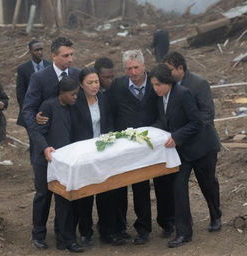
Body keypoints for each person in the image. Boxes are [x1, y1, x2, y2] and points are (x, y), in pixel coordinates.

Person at [22, 37, 81, 249]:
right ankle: (38, 233)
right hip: (44, 146)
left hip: (69, 146)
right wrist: (40, 139)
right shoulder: (40, 77)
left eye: (72, 55)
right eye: (65, 56)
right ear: (53, 56)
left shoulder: (76, 74)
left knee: (66, 192)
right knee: (43, 193)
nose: (70, 59)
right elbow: (28, 110)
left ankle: (64, 235)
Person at [162, 51, 222, 243]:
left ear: (180, 68)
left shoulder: (198, 84)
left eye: (170, 70)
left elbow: (206, 115)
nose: (167, 73)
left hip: (202, 146)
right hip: (180, 150)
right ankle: (183, 232)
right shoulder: (166, 88)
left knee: (207, 183)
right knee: (178, 188)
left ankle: (215, 214)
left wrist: (181, 134)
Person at [150, 63, 205, 248]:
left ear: (168, 82)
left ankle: (184, 233)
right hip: (172, 152)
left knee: (179, 189)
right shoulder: (161, 98)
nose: (155, 88)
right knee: (173, 189)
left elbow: (196, 122)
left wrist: (177, 137)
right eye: (153, 85)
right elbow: (164, 121)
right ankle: (176, 226)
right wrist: (150, 131)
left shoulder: (183, 94)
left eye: (158, 84)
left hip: (188, 151)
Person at [28, 77, 83, 252]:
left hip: (64, 163)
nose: (76, 97)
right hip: (45, 161)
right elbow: (37, 131)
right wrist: (45, 148)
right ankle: (38, 235)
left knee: (64, 199)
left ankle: (65, 239)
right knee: (43, 197)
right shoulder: (48, 106)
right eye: (73, 94)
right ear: (63, 93)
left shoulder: (72, 108)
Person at [110, 49, 159, 245]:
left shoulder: (154, 84)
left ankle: (143, 228)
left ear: (144, 66)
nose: (132, 72)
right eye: (128, 68)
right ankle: (121, 227)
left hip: (147, 146)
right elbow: (112, 112)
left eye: (136, 67)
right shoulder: (118, 85)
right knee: (120, 186)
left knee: (141, 187)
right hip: (123, 146)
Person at [70, 67, 123, 246]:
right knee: (85, 194)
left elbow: (110, 123)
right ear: (81, 84)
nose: (94, 86)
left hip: (103, 152)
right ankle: (85, 232)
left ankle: (108, 231)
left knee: (107, 192)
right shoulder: (76, 103)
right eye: (90, 83)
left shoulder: (104, 98)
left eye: (96, 82)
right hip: (84, 153)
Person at [16, 39, 50, 128]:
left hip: (48, 110)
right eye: (36, 50)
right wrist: (27, 111)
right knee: (34, 139)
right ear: (30, 51)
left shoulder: (50, 66)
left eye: (41, 49)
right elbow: (20, 92)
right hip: (31, 110)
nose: (40, 52)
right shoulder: (23, 69)